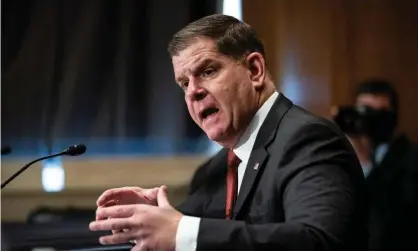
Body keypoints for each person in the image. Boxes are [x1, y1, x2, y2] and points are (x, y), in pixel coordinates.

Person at [89, 14, 368, 251]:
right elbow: (190, 226)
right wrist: (155, 216)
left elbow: (318, 241)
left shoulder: (308, 139)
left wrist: (181, 231)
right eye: (184, 83)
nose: (193, 93)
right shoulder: (216, 168)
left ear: (255, 70)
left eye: (208, 71)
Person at [340, 79, 418, 251]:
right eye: (365, 113)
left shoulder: (412, 158)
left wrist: (366, 164)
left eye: (379, 115)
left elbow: (395, 219)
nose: (371, 122)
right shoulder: (344, 155)